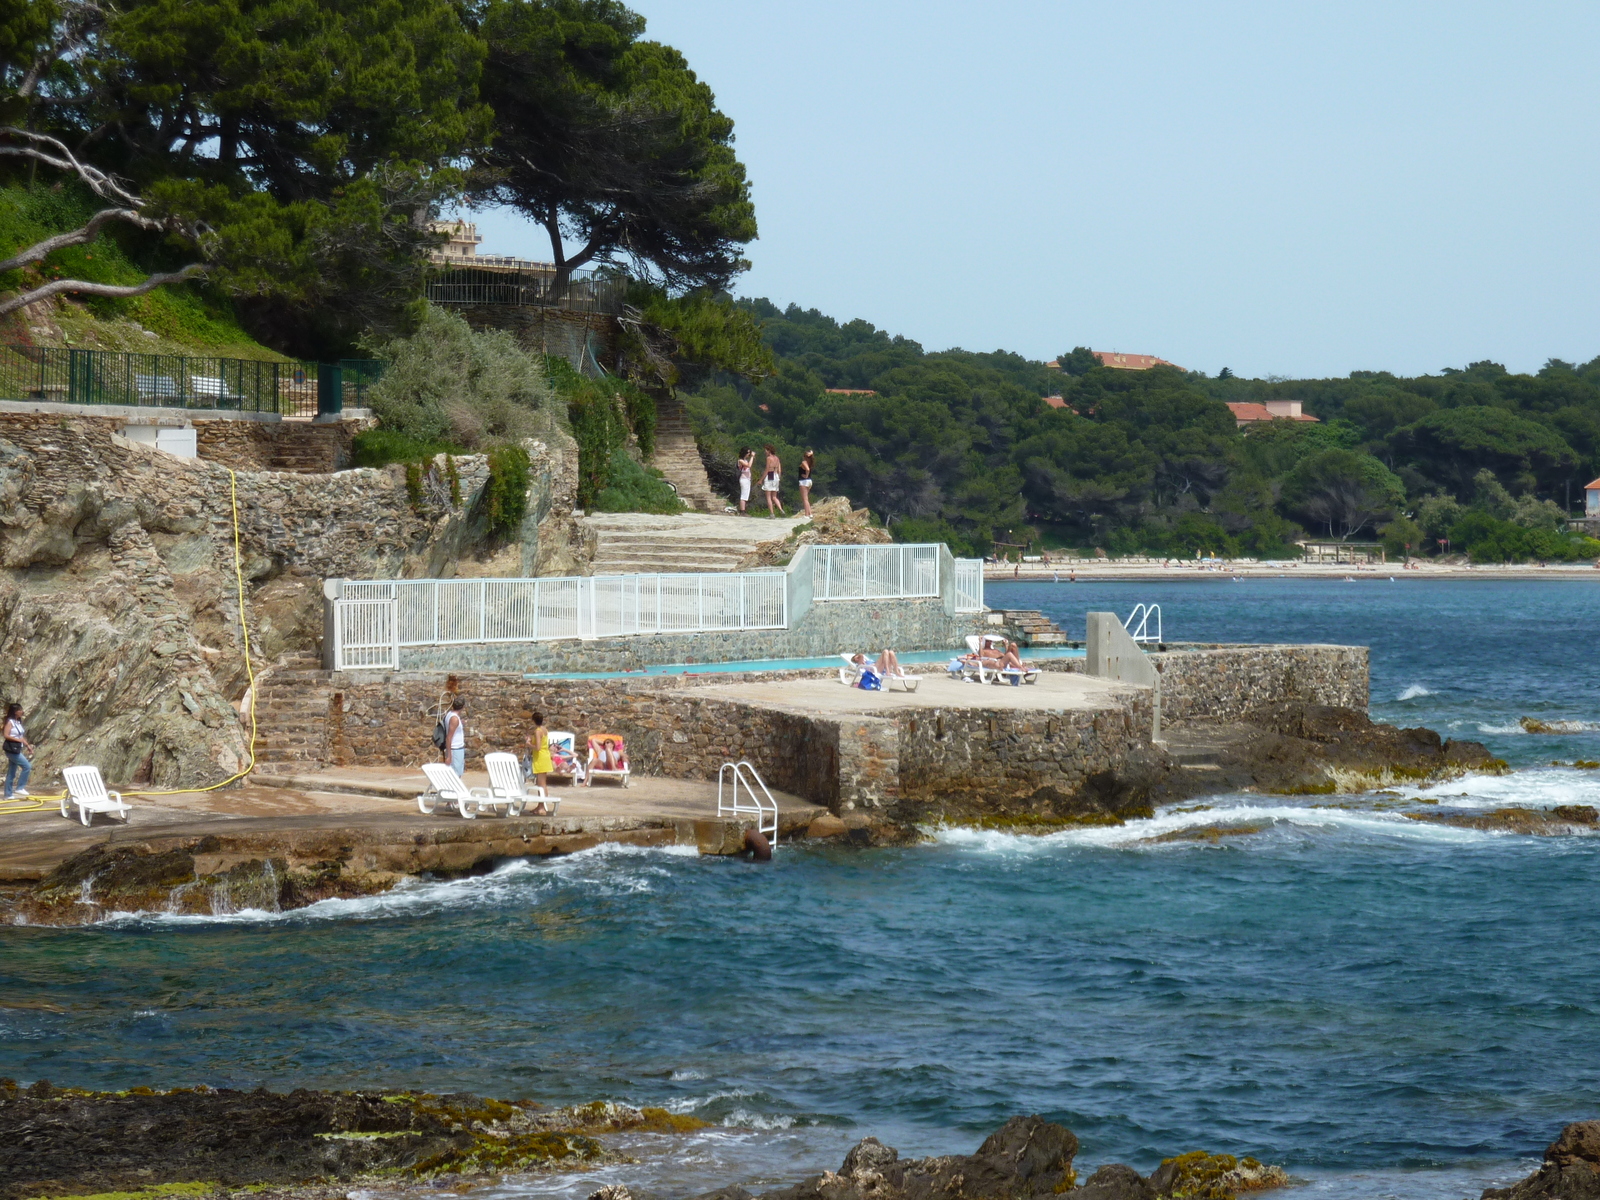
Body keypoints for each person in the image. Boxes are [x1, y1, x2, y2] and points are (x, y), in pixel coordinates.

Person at [4, 702, 33, 800]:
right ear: (15, 712)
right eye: (20, 710)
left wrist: (27, 745)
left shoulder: (18, 722)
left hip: (17, 748)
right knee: (27, 766)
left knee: (11, 772)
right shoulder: (10, 722)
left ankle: (8, 794)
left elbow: (21, 736)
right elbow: (6, 735)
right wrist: (18, 740)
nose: (22, 711)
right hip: (11, 749)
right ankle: (20, 787)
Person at [441, 696, 466, 777]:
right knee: (456, 775)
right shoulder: (454, 719)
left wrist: (460, 723)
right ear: (462, 707)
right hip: (455, 749)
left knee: (454, 774)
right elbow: (449, 737)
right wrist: (449, 756)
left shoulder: (450, 714)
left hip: (455, 749)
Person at [762, 444, 785, 516]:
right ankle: (781, 510)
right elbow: (779, 470)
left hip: (770, 474)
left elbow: (767, 469)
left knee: (768, 496)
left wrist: (761, 479)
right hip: (776, 476)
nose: (765, 452)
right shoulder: (777, 458)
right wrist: (779, 478)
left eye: (766, 450)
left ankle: (772, 513)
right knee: (774, 496)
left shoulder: (769, 458)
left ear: (769, 451)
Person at [797, 449, 815, 518]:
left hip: (804, 481)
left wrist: (806, 475)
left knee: (804, 499)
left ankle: (806, 514)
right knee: (806, 498)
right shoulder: (810, 462)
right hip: (809, 481)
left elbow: (807, 469)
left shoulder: (804, 462)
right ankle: (810, 513)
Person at [737, 447, 754, 514]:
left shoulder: (746, 460)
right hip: (743, 479)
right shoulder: (740, 461)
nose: (748, 454)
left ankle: (743, 509)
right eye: (748, 453)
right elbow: (748, 465)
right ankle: (742, 511)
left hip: (747, 479)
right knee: (743, 495)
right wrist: (752, 457)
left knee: (746, 495)